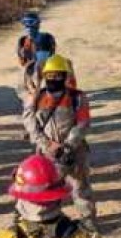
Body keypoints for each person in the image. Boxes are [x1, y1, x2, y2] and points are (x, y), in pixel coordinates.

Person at [23, 55, 97, 226]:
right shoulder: (37, 98)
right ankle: (50, 222)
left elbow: (83, 123)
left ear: (65, 76)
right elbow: (30, 123)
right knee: (48, 190)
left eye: (58, 75)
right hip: (48, 154)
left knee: (80, 188)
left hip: (75, 152)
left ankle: (88, 222)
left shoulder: (77, 97)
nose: (53, 79)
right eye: (50, 75)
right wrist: (47, 144)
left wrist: (68, 145)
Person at [17, 11, 57, 98]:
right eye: (26, 26)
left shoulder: (45, 39)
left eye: (33, 26)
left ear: (38, 26)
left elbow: (44, 63)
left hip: (46, 70)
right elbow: (22, 63)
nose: (29, 29)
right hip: (31, 70)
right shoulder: (22, 41)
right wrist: (28, 81)